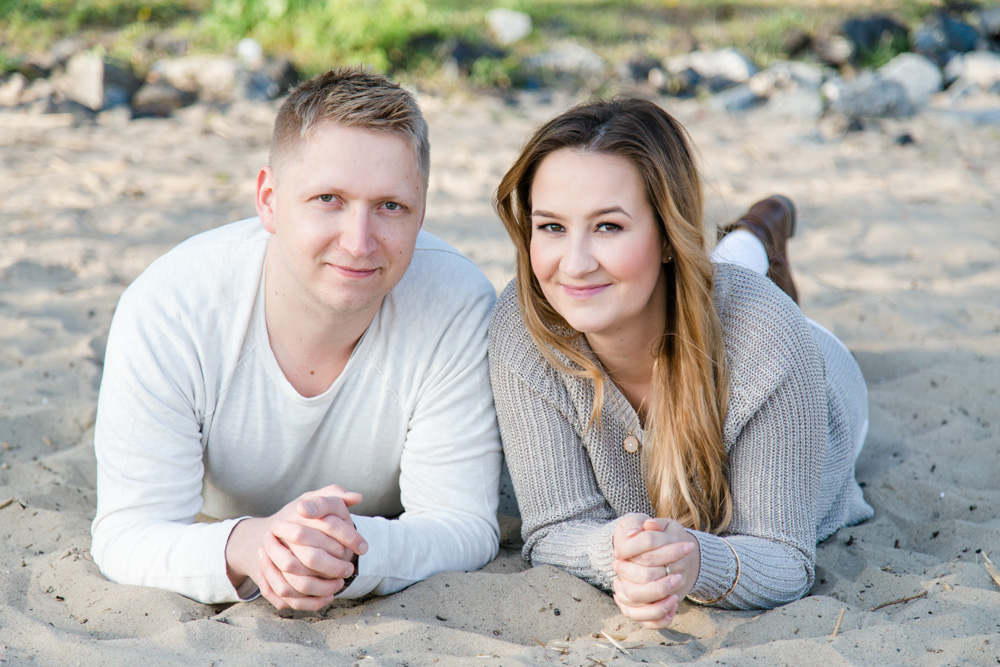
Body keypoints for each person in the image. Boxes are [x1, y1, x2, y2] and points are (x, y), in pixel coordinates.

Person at [91, 67, 502, 610]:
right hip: (231, 524)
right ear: (268, 199)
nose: (359, 242)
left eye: (391, 206)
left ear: (421, 211)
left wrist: (349, 552)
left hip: (369, 537)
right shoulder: (171, 307)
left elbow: (463, 523)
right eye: (328, 198)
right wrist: (251, 545)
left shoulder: (457, 302)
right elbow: (127, 533)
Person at [488, 97, 873, 629]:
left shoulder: (769, 337)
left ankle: (758, 236)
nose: (573, 265)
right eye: (552, 227)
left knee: (735, 289)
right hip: (677, 295)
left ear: (669, 234)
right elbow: (555, 528)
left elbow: (784, 559)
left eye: (608, 226)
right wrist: (619, 552)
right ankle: (753, 237)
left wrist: (693, 563)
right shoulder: (524, 322)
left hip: (822, 374)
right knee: (710, 275)